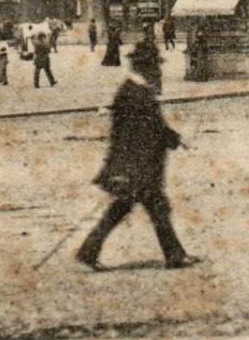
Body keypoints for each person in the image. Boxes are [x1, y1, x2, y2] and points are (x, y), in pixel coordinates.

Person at [76, 39, 198, 271]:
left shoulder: (136, 89)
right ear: (146, 66)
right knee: (154, 208)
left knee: (128, 209)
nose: (158, 70)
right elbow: (127, 136)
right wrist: (124, 169)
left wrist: (174, 138)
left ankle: (88, 252)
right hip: (137, 167)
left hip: (138, 166)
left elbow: (156, 126)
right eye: (155, 65)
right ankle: (174, 256)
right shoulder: (134, 93)